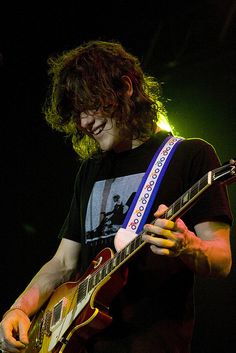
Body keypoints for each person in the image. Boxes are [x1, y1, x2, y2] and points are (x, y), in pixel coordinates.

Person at [0, 40, 233, 353]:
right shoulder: (90, 171)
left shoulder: (190, 155)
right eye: (76, 114)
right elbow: (63, 262)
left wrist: (187, 245)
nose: (83, 123)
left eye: (89, 106)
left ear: (124, 88)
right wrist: (19, 309)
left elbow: (222, 258)